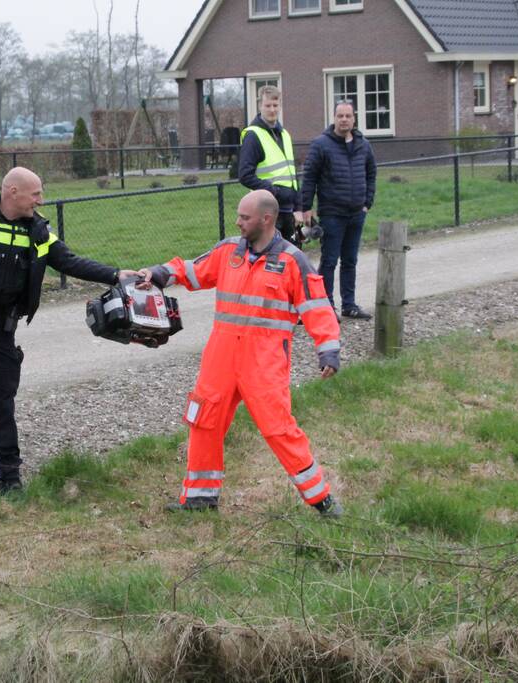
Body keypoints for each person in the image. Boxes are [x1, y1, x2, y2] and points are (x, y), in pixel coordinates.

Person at [0, 167, 138, 492]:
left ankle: (9, 480)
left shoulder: (36, 230)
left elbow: (68, 261)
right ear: (12, 192)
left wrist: (115, 275)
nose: (40, 200)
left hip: (1, 328)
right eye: (35, 194)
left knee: (3, 402)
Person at [136, 189, 345, 518]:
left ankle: (322, 501)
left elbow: (318, 308)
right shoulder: (228, 250)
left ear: (266, 219)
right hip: (220, 357)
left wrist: (328, 351)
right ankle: (199, 500)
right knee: (203, 420)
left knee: (278, 429)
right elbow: (193, 270)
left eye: (244, 217)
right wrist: (159, 273)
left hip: (264, 362)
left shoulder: (292, 261)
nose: (238, 222)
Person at [297, 100, 377, 320]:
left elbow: (371, 173)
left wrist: (366, 203)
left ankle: (349, 305)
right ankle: (327, 305)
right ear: (334, 118)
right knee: (330, 261)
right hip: (332, 213)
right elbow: (310, 177)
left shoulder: (363, 145)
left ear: (354, 118)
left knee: (350, 260)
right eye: (340, 116)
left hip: (356, 213)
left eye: (348, 116)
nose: (344, 120)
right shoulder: (321, 144)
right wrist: (306, 208)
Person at [238, 85, 302, 246]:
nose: (272, 110)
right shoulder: (253, 135)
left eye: (275, 105)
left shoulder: (284, 135)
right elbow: (245, 175)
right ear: (260, 106)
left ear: (280, 105)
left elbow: (292, 175)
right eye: (268, 106)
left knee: (291, 257)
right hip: (267, 210)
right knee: (268, 258)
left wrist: (298, 206)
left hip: (288, 210)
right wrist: (272, 190)